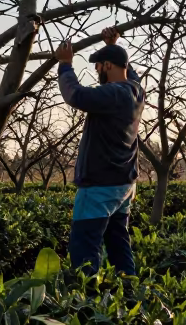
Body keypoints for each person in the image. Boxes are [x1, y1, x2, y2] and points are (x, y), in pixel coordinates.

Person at [55, 27, 144, 276]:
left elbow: (76, 95)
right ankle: (129, 293)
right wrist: (113, 44)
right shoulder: (136, 90)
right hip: (123, 184)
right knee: (118, 242)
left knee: (84, 248)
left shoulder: (114, 93)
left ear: (107, 65)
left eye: (98, 66)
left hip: (100, 185)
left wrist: (65, 65)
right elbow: (130, 73)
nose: (96, 71)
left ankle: (85, 308)